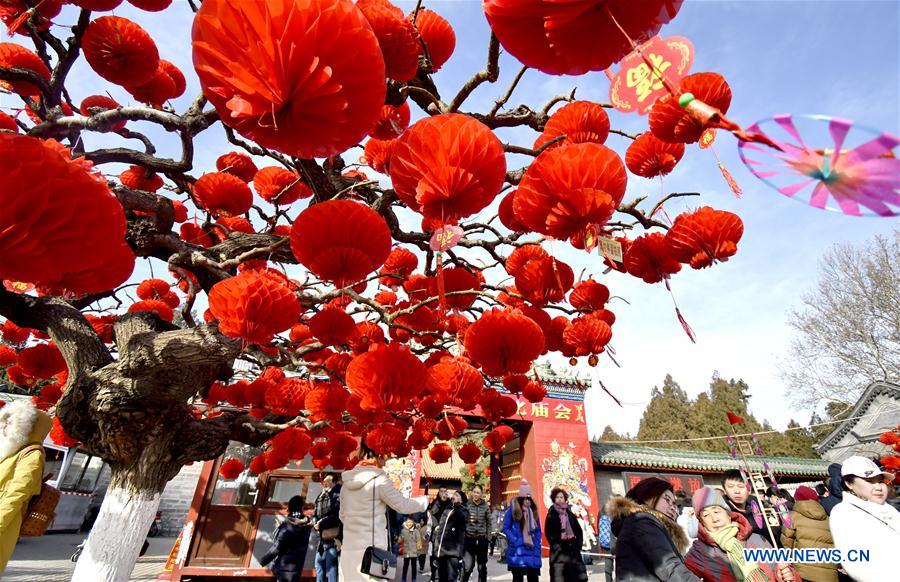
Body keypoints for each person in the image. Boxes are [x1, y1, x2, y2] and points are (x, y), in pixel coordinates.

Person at [338, 443, 427, 582]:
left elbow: (342, 515)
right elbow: (402, 505)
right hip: (372, 552)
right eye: (386, 456)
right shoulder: (380, 480)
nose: (386, 461)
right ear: (379, 456)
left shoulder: (346, 483)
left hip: (348, 550)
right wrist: (424, 501)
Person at [685, 487, 794, 582]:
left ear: (728, 515)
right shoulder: (699, 551)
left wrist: (784, 575)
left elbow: (779, 568)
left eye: (717, 511)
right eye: (706, 515)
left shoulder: (757, 539)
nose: (714, 519)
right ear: (702, 523)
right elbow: (679, 575)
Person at [607, 477, 700, 581]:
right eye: (667, 499)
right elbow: (669, 567)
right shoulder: (642, 521)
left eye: (674, 503)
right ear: (647, 497)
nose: (672, 507)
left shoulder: (640, 522)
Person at [828, 456, 900, 582]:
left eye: (880, 481)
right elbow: (857, 565)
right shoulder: (843, 513)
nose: (878, 486)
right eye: (870, 481)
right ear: (849, 483)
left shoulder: (889, 508)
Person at [0, 399, 51, 575]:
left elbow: (18, 493)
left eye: (10, 421)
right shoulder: (12, 452)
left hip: (5, 521)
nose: (4, 425)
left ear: (26, 426)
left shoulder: (33, 454)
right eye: (4, 420)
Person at [780, 486, 838, 582]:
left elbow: (786, 543)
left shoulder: (792, 517)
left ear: (797, 499)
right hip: (829, 574)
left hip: (804, 572)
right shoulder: (827, 518)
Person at [260, 496, 313, 582]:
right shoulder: (305, 526)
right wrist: (281, 527)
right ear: (301, 508)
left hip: (284, 569)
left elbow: (278, 547)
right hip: (296, 568)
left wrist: (263, 561)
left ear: (290, 508)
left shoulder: (288, 526)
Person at [544, 487, 588, 582]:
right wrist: (555, 545)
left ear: (565, 499)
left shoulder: (569, 513)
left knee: (575, 577)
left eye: (561, 497)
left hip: (572, 549)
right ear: (554, 499)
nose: (560, 499)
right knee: (560, 577)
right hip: (559, 552)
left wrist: (578, 545)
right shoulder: (551, 513)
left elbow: (578, 530)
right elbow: (548, 532)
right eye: (557, 497)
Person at [502, 480, 542, 582]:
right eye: (524, 499)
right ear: (520, 498)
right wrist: (515, 540)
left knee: (533, 578)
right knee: (518, 578)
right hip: (518, 549)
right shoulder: (513, 510)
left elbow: (538, 530)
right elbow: (506, 527)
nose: (527, 501)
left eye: (529, 499)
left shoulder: (533, 511)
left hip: (532, 549)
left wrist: (536, 541)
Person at [722, 469, 774, 543]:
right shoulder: (722, 512)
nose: (737, 491)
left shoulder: (760, 506)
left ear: (749, 489)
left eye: (741, 486)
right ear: (724, 489)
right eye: (731, 486)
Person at [434, 490, 468, 582]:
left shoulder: (463, 510)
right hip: (442, 550)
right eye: (454, 494)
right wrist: (436, 548)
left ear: (462, 500)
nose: (454, 496)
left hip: (453, 552)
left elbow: (462, 518)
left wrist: (457, 505)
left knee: (451, 578)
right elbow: (440, 528)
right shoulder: (447, 509)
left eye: (457, 495)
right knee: (441, 578)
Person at [313, 474, 341, 582]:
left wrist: (321, 523)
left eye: (328, 480)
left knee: (331, 570)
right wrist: (315, 522)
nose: (325, 483)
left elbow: (336, 515)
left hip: (333, 538)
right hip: (321, 538)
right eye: (324, 480)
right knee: (319, 568)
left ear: (334, 482)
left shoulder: (337, 494)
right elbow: (315, 512)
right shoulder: (321, 496)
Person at [461, 484, 490, 582]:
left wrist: (488, 538)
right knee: (468, 566)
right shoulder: (467, 505)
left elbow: (489, 522)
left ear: (481, 494)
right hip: (469, 539)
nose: (476, 494)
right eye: (474, 492)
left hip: (482, 539)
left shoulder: (485, 506)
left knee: (482, 567)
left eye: (478, 492)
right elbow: (463, 521)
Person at [428, 487, 452, 580]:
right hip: (436, 532)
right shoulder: (435, 502)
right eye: (441, 491)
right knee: (434, 555)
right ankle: (433, 575)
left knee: (444, 555)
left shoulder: (450, 503)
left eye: (445, 491)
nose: (443, 493)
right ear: (438, 493)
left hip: (446, 532)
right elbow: (432, 514)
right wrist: (436, 525)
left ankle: (442, 576)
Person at [398, 516, 424, 582]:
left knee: (414, 566)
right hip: (406, 552)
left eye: (410, 522)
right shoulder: (403, 531)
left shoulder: (416, 531)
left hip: (414, 552)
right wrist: (397, 539)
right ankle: (403, 578)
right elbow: (400, 540)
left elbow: (418, 541)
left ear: (413, 523)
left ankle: (414, 578)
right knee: (405, 566)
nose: (409, 524)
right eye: (408, 522)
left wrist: (419, 551)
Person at [597, 509, 614, 582]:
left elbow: (599, 528)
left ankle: (608, 580)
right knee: (620, 561)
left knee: (608, 562)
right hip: (616, 540)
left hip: (605, 541)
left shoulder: (602, 511)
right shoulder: (617, 510)